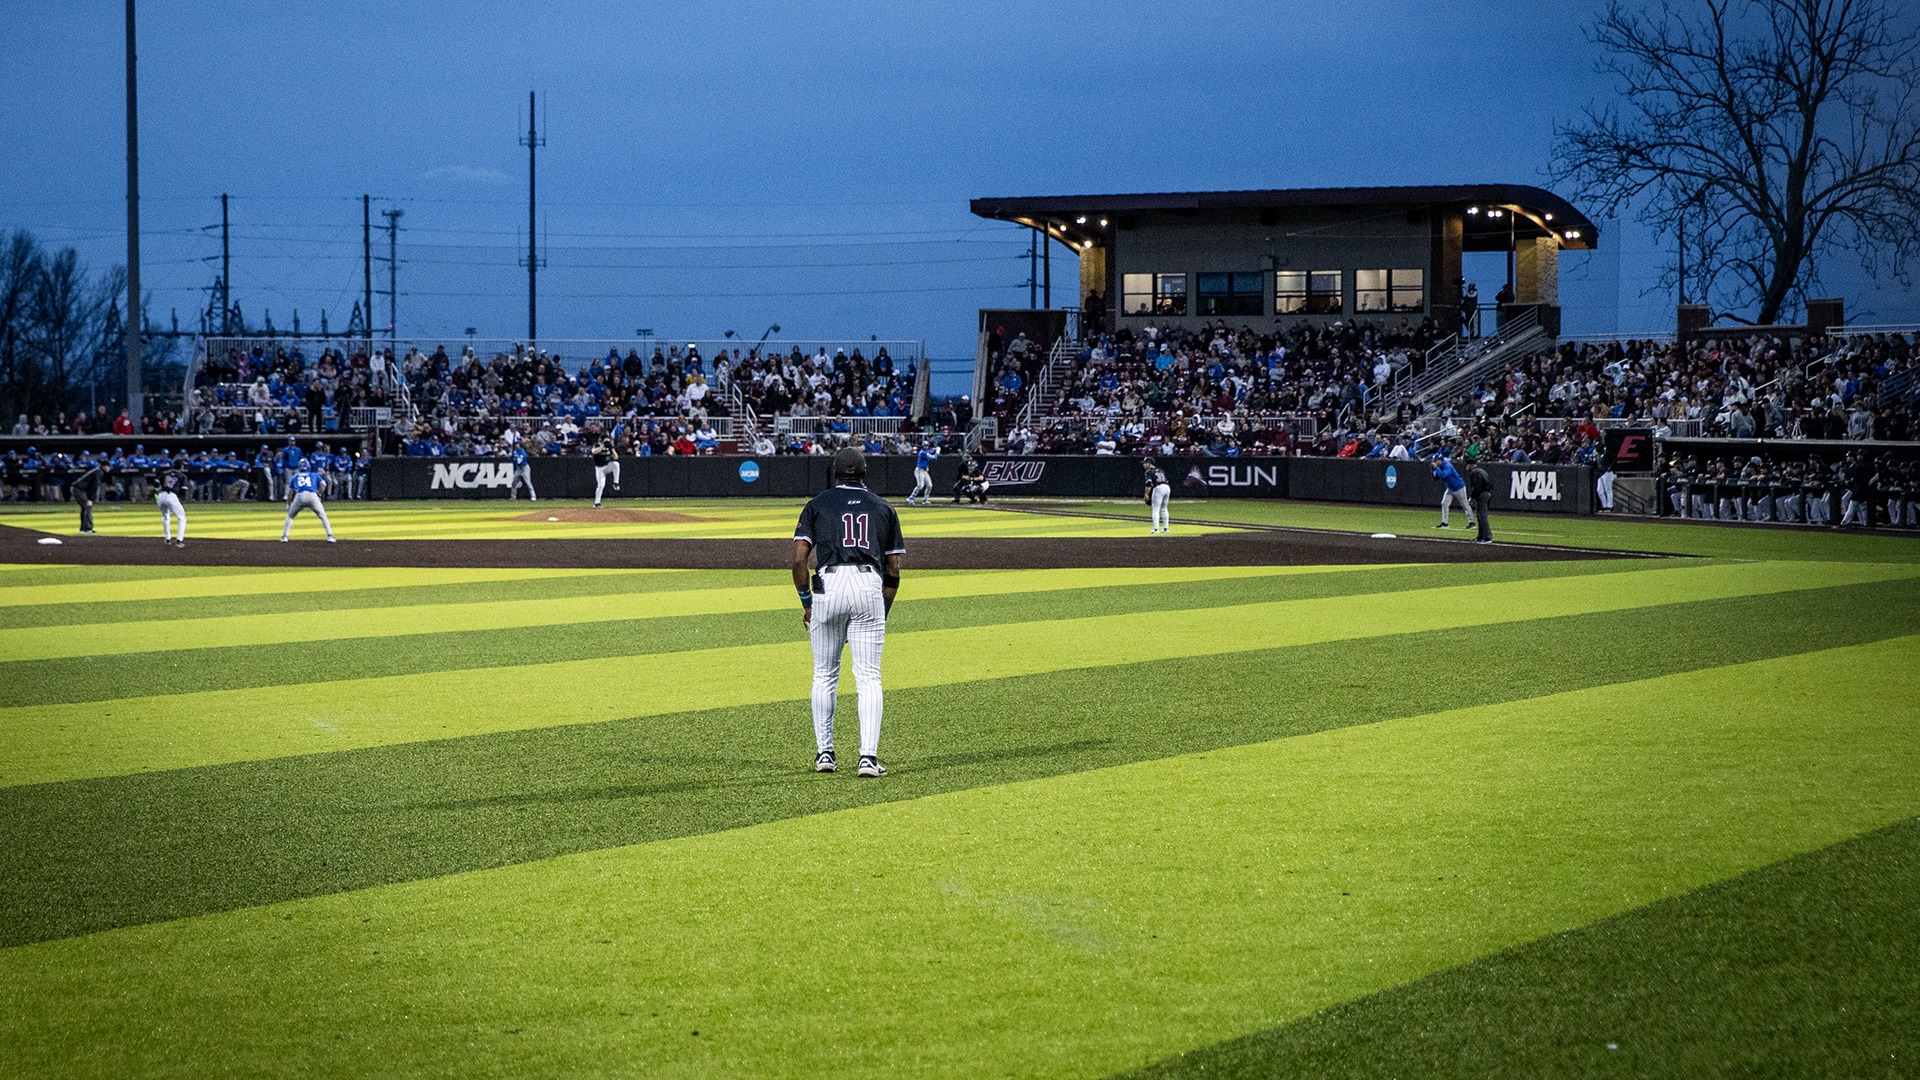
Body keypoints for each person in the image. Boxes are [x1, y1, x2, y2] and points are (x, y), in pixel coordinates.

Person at [792, 448, 904, 779]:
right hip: (869, 585)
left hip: (828, 585)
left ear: (835, 473)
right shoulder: (884, 507)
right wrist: (882, 609)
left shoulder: (817, 504)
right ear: (865, 473)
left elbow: (800, 559)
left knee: (824, 674)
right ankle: (867, 758)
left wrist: (806, 601)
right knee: (868, 676)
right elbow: (893, 567)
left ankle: (825, 754)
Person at [280, 456, 337, 543]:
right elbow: (323, 485)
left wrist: (288, 504)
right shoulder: (314, 475)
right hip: (312, 495)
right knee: (323, 517)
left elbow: (290, 493)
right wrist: (319, 493)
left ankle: (284, 537)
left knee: (290, 516)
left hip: (300, 496)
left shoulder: (295, 476)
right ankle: (330, 536)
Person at [1433, 453, 1474, 529]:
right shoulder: (1439, 465)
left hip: (1459, 487)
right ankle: (1444, 523)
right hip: (1450, 488)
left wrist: (1436, 468)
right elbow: (1435, 478)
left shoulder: (1447, 465)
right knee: (1444, 503)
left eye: (1436, 461)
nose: (1434, 462)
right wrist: (1434, 470)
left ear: (1440, 460)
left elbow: (1443, 475)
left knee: (1465, 504)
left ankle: (1472, 522)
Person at [154, 462, 188, 547]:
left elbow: (156, 483)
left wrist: (158, 491)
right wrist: (180, 498)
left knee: (165, 516)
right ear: (181, 467)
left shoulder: (165, 473)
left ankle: (167, 539)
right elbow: (183, 491)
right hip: (172, 496)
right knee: (182, 518)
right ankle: (179, 540)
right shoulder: (182, 475)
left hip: (161, 496)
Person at [72, 457, 106, 534]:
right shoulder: (99, 472)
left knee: (85, 508)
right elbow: (94, 487)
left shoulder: (97, 470)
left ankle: (83, 529)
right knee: (87, 506)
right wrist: (90, 499)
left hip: (79, 489)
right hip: (78, 489)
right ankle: (88, 529)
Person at [1466, 452, 1493, 544]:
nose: (1466, 468)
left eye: (1467, 465)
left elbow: (1477, 486)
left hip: (1482, 494)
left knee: (1482, 516)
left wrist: (1472, 497)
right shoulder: (1482, 470)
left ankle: (1487, 537)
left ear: (1470, 465)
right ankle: (1480, 537)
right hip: (1488, 493)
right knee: (1480, 516)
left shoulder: (1474, 472)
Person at [591, 435, 620, 508]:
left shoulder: (609, 447)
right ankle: (597, 503)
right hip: (599, 468)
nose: (607, 442)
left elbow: (616, 457)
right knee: (601, 485)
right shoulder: (596, 445)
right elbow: (594, 452)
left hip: (607, 466)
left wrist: (612, 448)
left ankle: (616, 482)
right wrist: (602, 446)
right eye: (606, 440)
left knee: (616, 464)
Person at [1143, 457, 1171, 534]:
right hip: (1167, 487)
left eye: (1145, 463)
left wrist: (1146, 494)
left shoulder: (1148, 471)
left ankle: (1156, 529)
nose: (1144, 465)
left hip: (1158, 488)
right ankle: (1166, 529)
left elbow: (1148, 483)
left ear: (1149, 463)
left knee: (1155, 509)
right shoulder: (1160, 470)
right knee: (1164, 508)